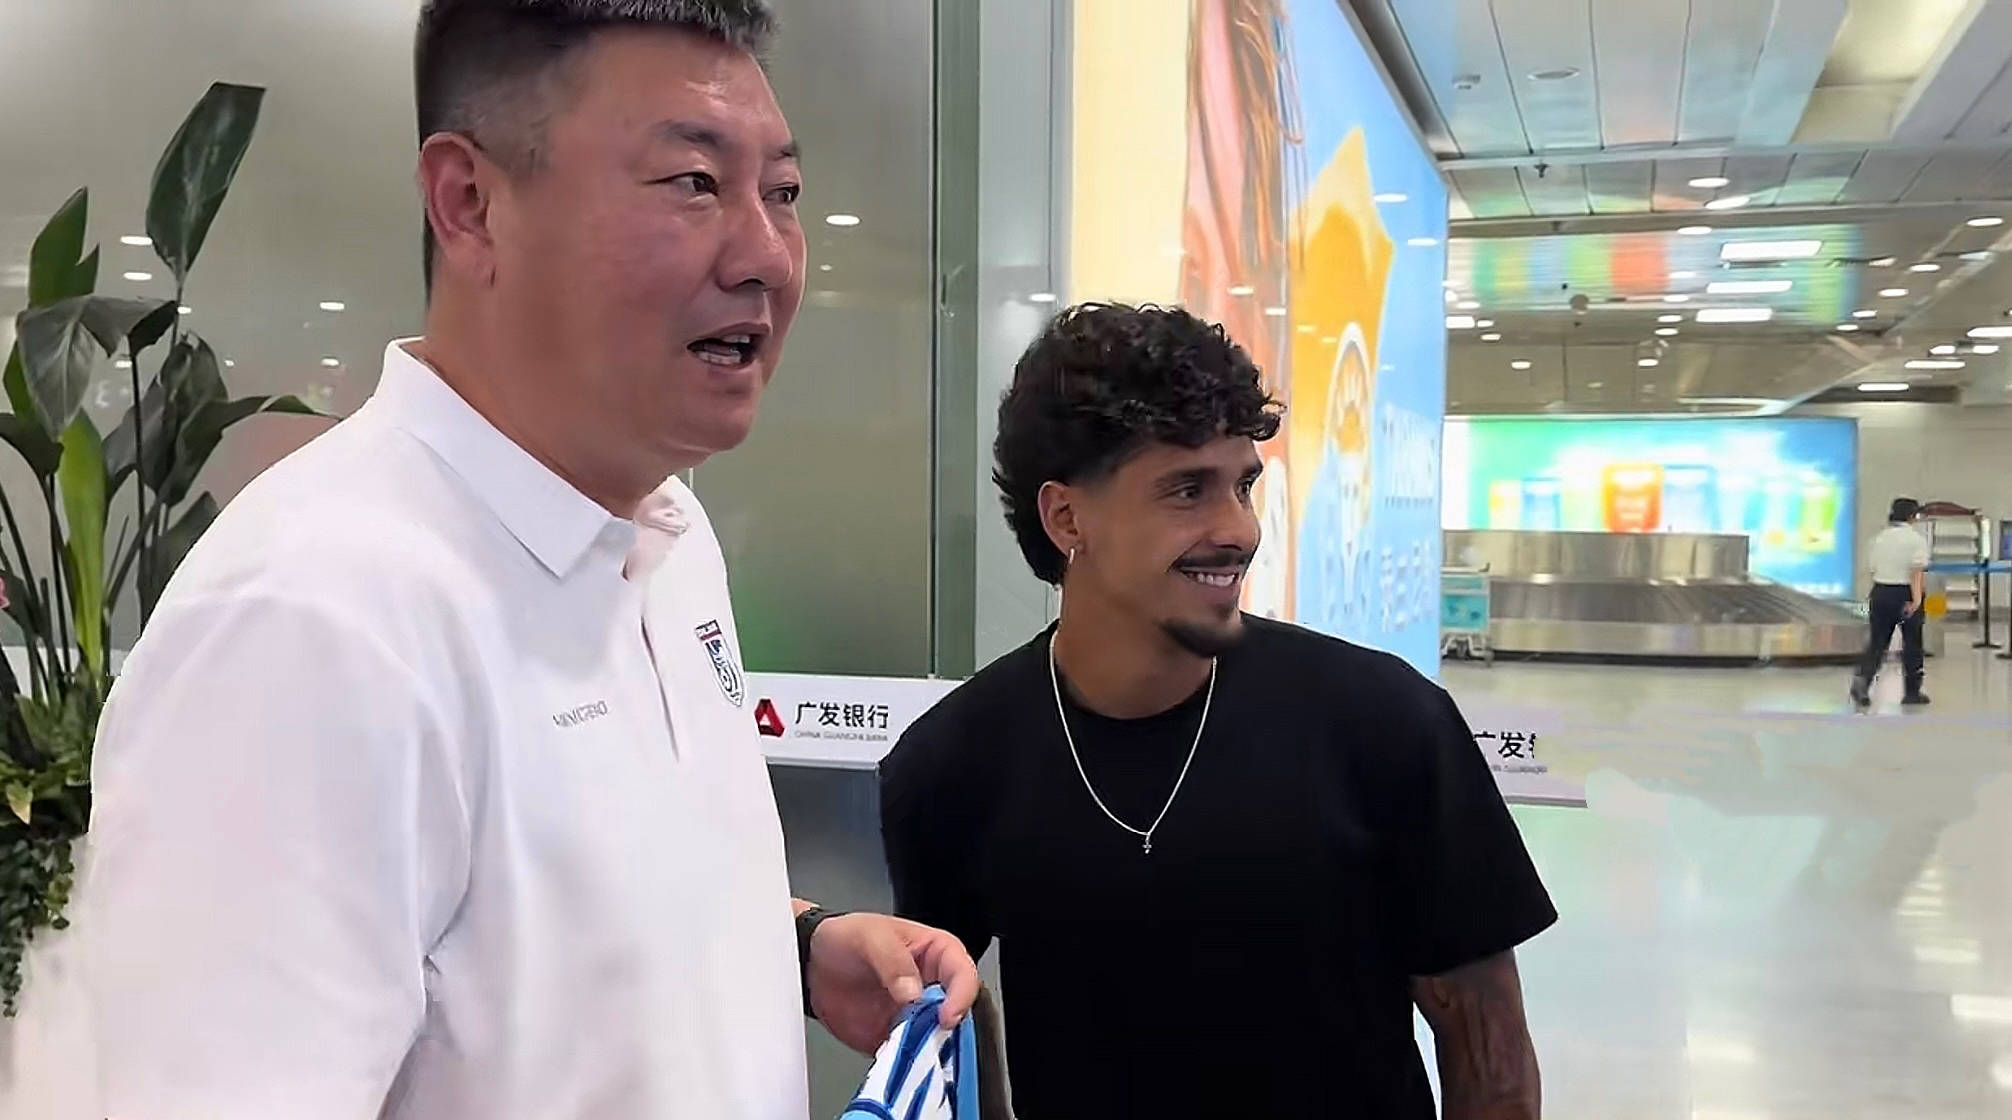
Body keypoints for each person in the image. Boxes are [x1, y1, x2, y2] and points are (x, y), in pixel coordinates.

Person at [83, 2, 976, 1117]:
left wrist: (787, 945)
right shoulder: (310, 621)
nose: (765, 256)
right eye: (694, 182)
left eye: (782, 191)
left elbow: (547, 920)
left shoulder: (668, 534)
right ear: (470, 203)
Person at [880, 303, 1556, 1118]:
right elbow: (949, 1008)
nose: (1238, 529)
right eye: (1187, 490)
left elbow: (1490, 1053)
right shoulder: (953, 761)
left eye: (1242, 485)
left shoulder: (1383, 725)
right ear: (1067, 517)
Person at [1852, 497, 1933, 708]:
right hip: (1905, 593)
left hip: (1880, 592)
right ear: (1912, 516)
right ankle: (1912, 692)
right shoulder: (1916, 540)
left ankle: (1862, 682)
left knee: (1877, 643)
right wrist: (1916, 600)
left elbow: (1872, 568)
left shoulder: (1878, 538)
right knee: (1912, 644)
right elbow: (1916, 572)